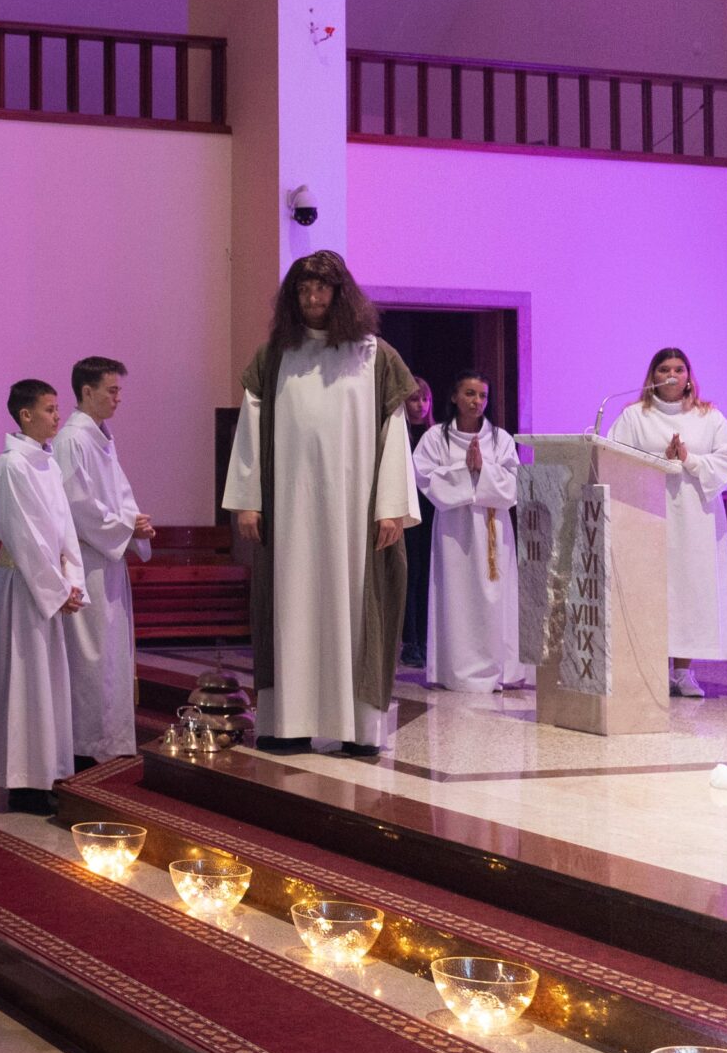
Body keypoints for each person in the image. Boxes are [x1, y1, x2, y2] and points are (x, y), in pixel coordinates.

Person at [223, 252, 420, 758]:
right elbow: (250, 428)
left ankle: (357, 729)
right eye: (304, 290)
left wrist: (391, 506)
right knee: (291, 607)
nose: (312, 298)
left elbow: (393, 431)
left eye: (321, 289)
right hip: (290, 511)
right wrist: (248, 501)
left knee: (354, 611)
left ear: (340, 294)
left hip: (354, 515)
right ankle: (287, 722)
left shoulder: (373, 356)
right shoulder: (276, 356)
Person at [0, 379, 86, 815]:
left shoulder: (47, 463)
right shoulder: (12, 467)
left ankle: (43, 774)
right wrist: (57, 589)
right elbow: (25, 538)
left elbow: (64, 530)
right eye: (50, 409)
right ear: (25, 415)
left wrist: (72, 580)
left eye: (57, 409)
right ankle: (22, 783)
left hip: (45, 586)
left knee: (45, 684)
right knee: (25, 682)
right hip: (23, 586)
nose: (58, 417)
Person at [608, 348, 727, 698]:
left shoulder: (708, 416)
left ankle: (683, 672)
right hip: (648, 514)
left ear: (688, 377)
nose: (672, 375)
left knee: (689, 589)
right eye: (664, 369)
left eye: (679, 369)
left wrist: (689, 459)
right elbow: (615, 460)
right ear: (652, 376)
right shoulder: (634, 416)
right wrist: (660, 459)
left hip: (695, 516)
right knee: (652, 588)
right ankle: (652, 670)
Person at [52, 357, 157, 766]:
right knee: (89, 658)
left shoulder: (102, 437)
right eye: (111, 391)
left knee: (109, 658)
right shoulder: (72, 440)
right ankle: (83, 748)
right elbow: (77, 505)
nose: (118, 398)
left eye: (118, 391)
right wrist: (124, 528)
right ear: (87, 391)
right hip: (87, 563)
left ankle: (107, 743)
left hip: (107, 562)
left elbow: (119, 495)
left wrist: (135, 523)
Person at [412, 372, 527, 694]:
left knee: (494, 597)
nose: (477, 401)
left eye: (482, 396)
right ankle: (455, 671)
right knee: (456, 597)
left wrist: (483, 471)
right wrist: (467, 471)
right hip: (454, 530)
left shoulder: (500, 439)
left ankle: (499, 670)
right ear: (454, 397)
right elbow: (423, 476)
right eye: (470, 394)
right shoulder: (436, 438)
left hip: (492, 528)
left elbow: (515, 482)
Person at [398, 377, 437, 669]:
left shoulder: (435, 436)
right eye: (414, 399)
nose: (420, 405)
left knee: (427, 575)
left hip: (432, 510)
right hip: (407, 511)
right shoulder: (399, 435)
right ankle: (410, 641)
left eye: (425, 399)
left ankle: (426, 639)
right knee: (410, 575)